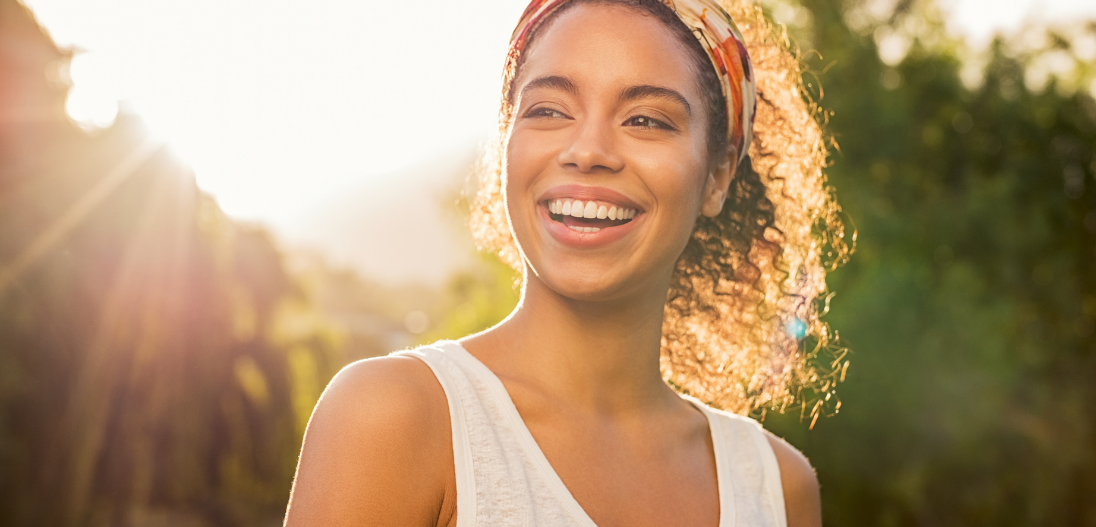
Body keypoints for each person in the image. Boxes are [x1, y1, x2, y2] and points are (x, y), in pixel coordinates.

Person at [284, 0, 850, 525]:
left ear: (719, 175)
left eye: (646, 120)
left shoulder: (778, 487)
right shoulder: (393, 418)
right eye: (549, 109)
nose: (587, 151)